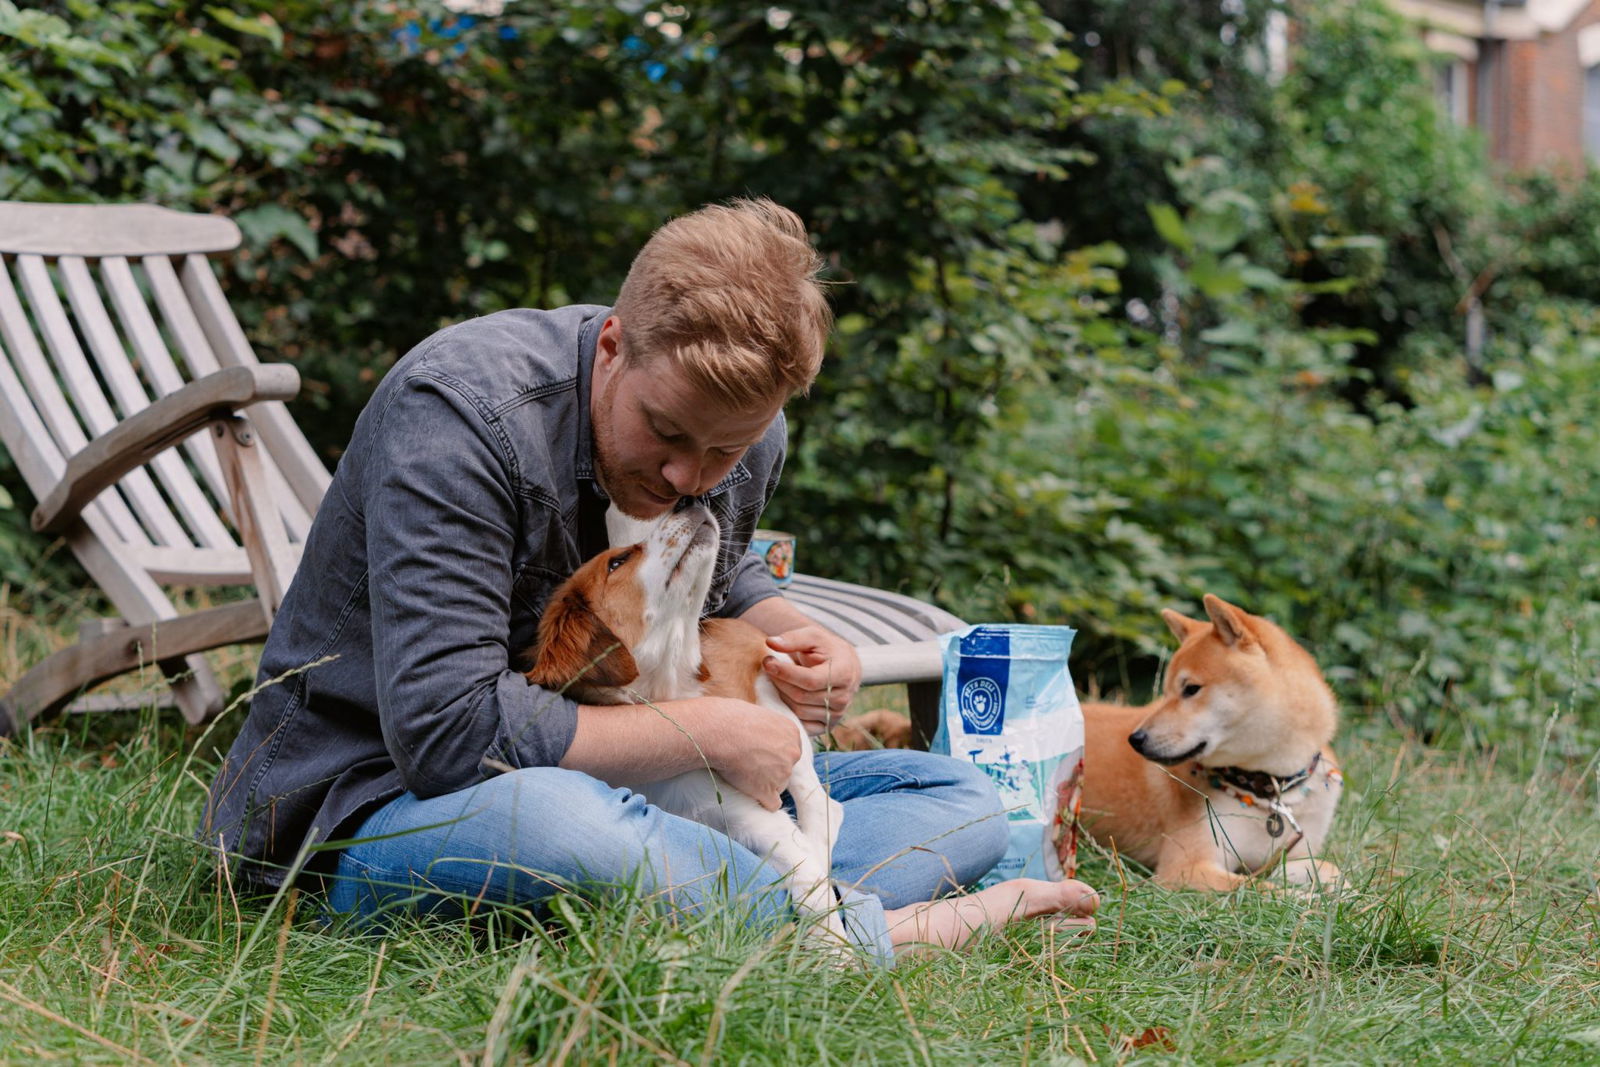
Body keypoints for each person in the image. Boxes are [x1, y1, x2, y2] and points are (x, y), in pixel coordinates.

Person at [201, 198, 1098, 963]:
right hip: (370, 806)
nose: (687, 477)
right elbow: (446, 735)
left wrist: (785, 624)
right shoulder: (458, 416)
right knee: (568, 826)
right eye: (665, 432)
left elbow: (711, 573)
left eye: (725, 450)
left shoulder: (743, 434)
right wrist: (702, 730)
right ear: (613, 346)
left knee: (959, 802)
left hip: (643, 792)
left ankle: (720, 896)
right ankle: (868, 932)